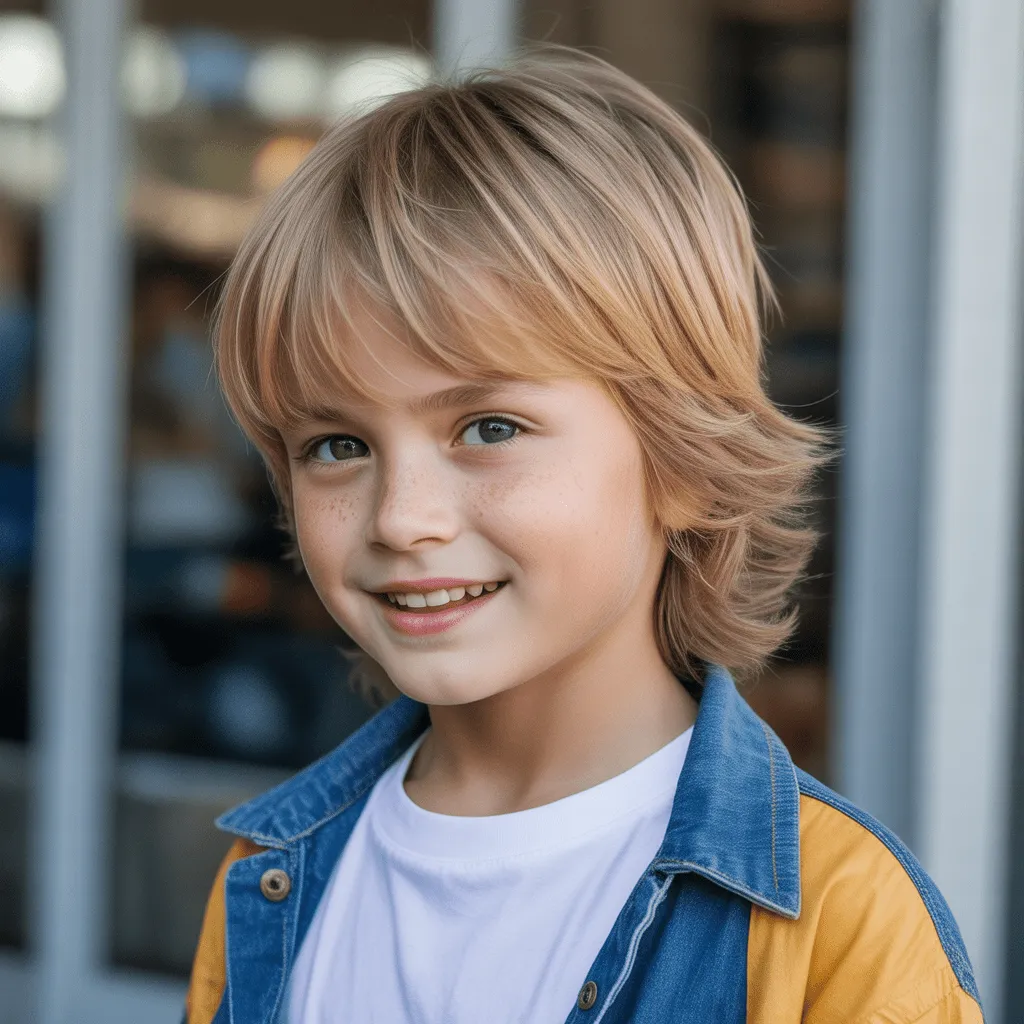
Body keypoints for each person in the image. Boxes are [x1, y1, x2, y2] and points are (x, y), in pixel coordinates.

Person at [183, 48, 983, 1024]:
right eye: (337, 444)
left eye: (488, 428)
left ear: (681, 462)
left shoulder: (839, 922)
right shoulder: (271, 877)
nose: (401, 517)